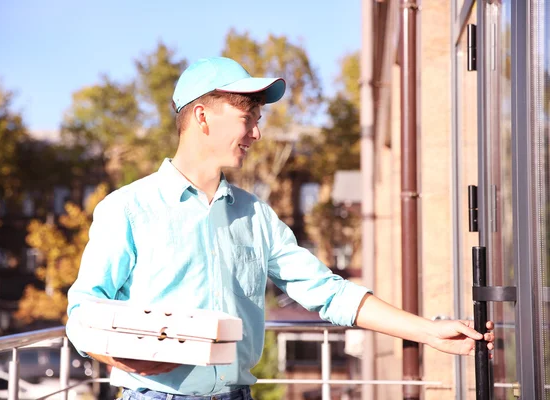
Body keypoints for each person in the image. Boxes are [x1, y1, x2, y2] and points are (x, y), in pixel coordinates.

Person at [66, 56, 494, 400]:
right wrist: (124, 359)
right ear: (201, 116)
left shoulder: (256, 215)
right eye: (247, 115)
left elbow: (328, 292)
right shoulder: (128, 208)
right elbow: (83, 311)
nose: (256, 132)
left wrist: (428, 332)